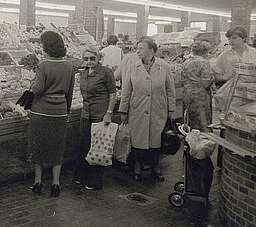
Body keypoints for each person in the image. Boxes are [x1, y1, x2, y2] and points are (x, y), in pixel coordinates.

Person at [119, 37, 175, 182]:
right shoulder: (133, 67)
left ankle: (155, 167)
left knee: (156, 140)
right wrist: (123, 111)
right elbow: (126, 91)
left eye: (141, 48)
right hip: (137, 109)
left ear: (151, 50)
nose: (138, 51)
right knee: (137, 140)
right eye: (137, 48)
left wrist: (171, 110)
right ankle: (137, 167)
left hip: (158, 109)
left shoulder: (164, 66)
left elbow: (170, 90)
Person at [27, 31, 75, 197]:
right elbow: (70, 93)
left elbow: (38, 89)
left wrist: (32, 83)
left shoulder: (43, 65)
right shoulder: (69, 66)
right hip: (60, 111)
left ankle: (38, 181)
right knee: (57, 147)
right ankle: (56, 182)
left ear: (46, 46)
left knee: (39, 146)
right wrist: (66, 111)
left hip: (41, 111)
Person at [73, 46, 117, 190]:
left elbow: (112, 94)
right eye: (86, 59)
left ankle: (95, 180)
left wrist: (109, 112)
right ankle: (81, 176)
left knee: (98, 146)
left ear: (99, 58)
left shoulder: (106, 72)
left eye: (92, 58)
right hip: (86, 113)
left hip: (100, 113)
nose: (89, 61)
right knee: (84, 145)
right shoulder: (84, 73)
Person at [181, 41, 214, 131]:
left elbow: (182, 81)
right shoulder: (204, 62)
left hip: (187, 93)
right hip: (200, 95)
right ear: (205, 51)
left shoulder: (186, 62)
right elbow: (205, 83)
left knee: (190, 120)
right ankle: (205, 141)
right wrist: (213, 78)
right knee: (203, 121)